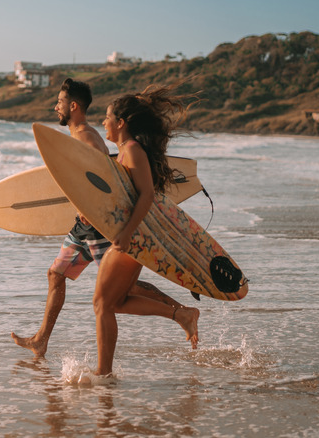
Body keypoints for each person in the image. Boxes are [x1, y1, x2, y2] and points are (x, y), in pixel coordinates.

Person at [11, 79, 191, 358]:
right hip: (83, 226)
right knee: (56, 274)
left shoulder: (84, 137)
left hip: (96, 226)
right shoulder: (83, 134)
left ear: (73, 106)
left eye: (59, 103)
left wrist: (93, 206)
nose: (55, 107)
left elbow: (103, 180)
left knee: (122, 291)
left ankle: (180, 313)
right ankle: (41, 339)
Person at [93, 85, 201, 377]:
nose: (103, 122)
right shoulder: (125, 152)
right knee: (116, 301)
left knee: (102, 304)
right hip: (135, 234)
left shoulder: (132, 151)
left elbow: (147, 195)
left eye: (107, 117)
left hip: (135, 236)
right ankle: (182, 314)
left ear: (121, 123)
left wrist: (127, 233)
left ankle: (104, 374)